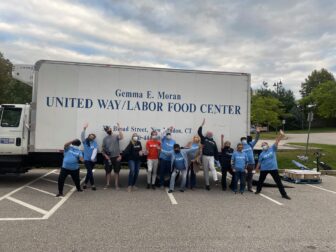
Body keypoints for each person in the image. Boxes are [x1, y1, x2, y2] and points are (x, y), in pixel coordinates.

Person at [255, 130, 291, 200]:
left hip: (273, 169)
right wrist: (256, 169)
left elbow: (277, 141)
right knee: (260, 181)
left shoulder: (272, 149)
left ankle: (284, 194)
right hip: (264, 169)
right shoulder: (262, 154)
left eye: (264, 144)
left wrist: (281, 135)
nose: (263, 146)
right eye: (262, 145)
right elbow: (259, 162)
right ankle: (258, 190)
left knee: (278, 182)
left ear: (267, 145)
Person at [198, 119, 219, 190]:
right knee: (205, 171)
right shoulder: (204, 139)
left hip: (211, 157)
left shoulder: (214, 142)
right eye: (208, 133)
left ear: (212, 135)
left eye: (211, 134)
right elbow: (199, 133)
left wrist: (217, 160)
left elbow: (216, 151)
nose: (209, 134)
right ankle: (207, 184)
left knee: (212, 167)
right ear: (206, 134)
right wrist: (202, 125)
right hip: (204, 156)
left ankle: (216, 179)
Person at [102, 123, 123, 190]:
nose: (108, 130)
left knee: (116, 172)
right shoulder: (105, 139)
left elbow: (121, 137)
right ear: (105, 131)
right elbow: (102, 149)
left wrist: (119, 128)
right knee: (108, 172)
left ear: (111, 129)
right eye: (106, 130)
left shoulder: (116, 136)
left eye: (108, 129)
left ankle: (116, 185)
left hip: (116, 157)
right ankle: (107, 184)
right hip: (108, 158)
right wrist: (105, 155)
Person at [241, 127, 260, 192]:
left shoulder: (250, 144)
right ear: (241, 141)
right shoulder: (240, 147)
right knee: (244, 176)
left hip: (252, 163)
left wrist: (258, 132)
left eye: (244, 139)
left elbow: (256, 139)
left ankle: (250, 188)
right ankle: (242, 188)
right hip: (245, 164)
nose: (244, 141)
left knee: (250, 177)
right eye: (242, 140)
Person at [81, 123, 98, 190]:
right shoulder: (85, 141)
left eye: (92, 136)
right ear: (88, 136)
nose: (91, 137)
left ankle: (85, 184)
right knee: (90, 171)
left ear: (94, 138)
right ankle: (93, 184)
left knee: (89, 172)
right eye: (90, 136)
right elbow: (82, 136)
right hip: (86, 159)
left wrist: (93, 158)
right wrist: (84, 129)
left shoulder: (94, 143)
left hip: (93, 160)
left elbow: (95, 150)